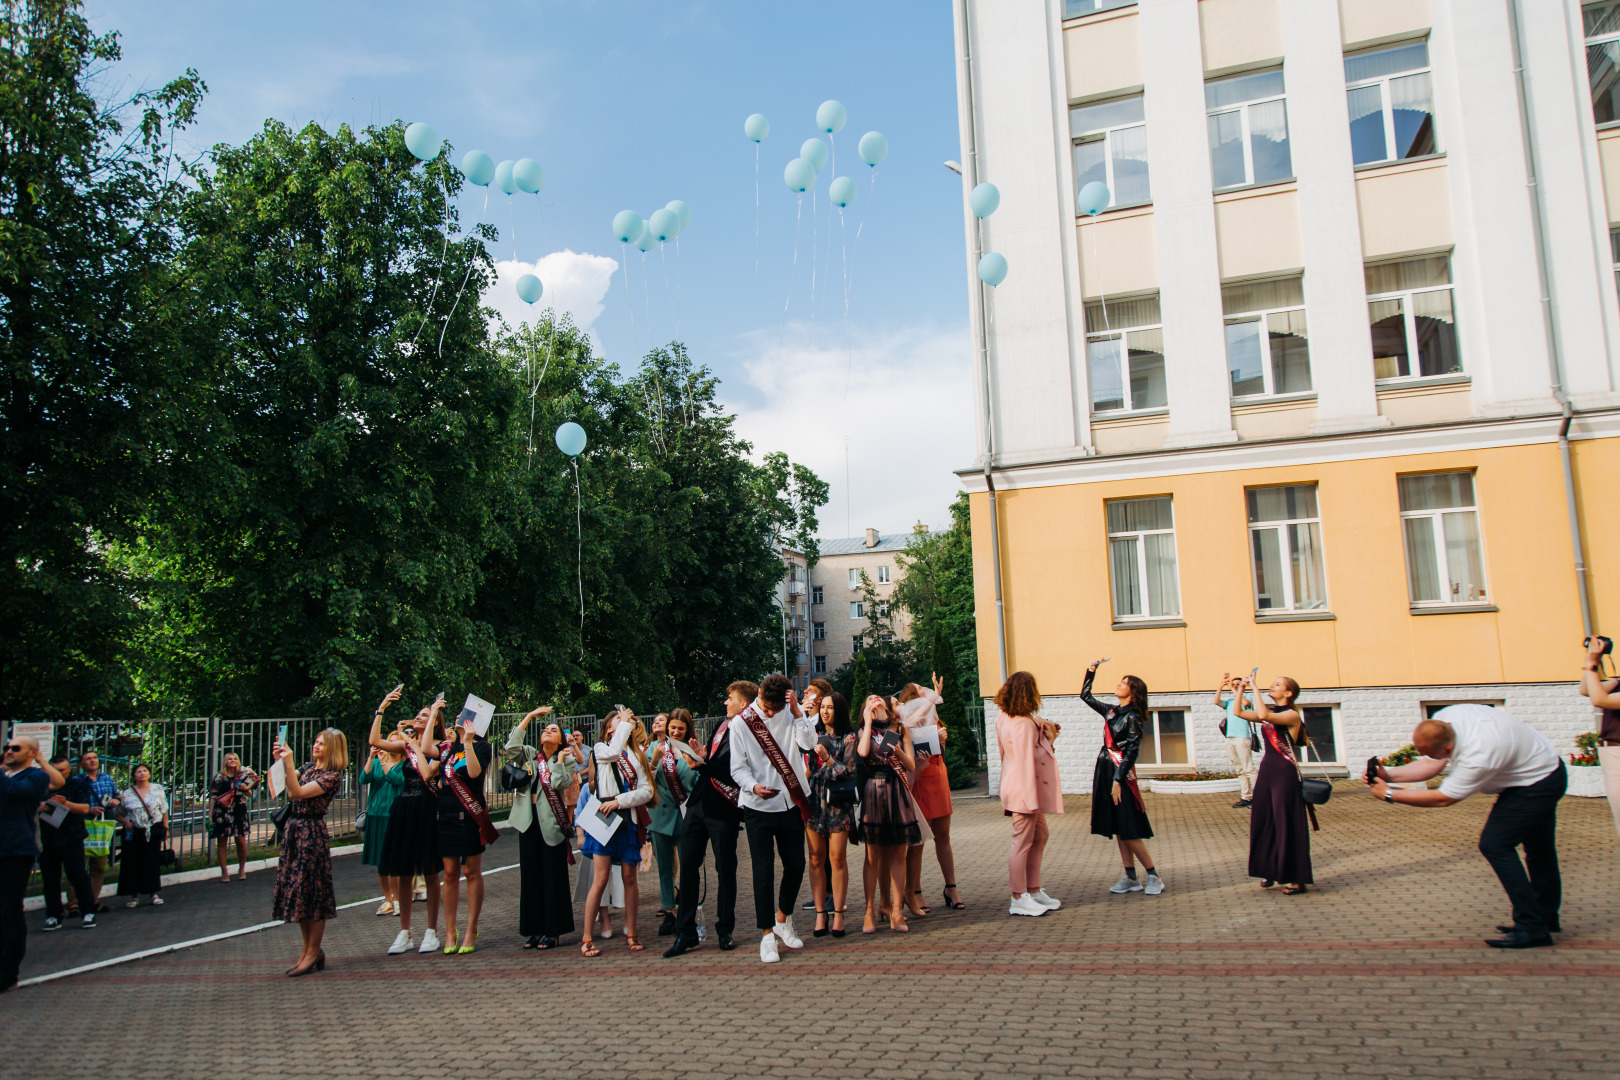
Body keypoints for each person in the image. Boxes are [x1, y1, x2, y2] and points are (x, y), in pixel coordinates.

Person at [1368, 704, 1567, 948]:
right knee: (1539, 850)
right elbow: (1433, 764)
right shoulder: (1446, 719)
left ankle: (1532, 926)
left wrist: (1390, 795)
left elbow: (1443, 798)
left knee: (1495, 845)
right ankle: (1544, 918)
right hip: (1542, 768)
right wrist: (1389, 775)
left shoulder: (1480, 753)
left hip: (1537, 783)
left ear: (1449, 748)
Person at [731, 673, 817, 964]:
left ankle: (783, 917)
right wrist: (752, 786)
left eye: (774, 710)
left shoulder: (789, 712)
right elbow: (737, 768)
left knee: (796, 864)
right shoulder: (741, 723)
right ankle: (767, 935)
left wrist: (797, 713)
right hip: (758, 805)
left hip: (790, 801)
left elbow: (808, 744)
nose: (769, 713)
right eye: (766, 707)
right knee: (763, 870)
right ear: (759, 697)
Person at [664, 682, 752, 959]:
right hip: (699, 803)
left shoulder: (749, 733)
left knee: (725, 870)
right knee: (688, 865)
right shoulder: (721, 726)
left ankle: (724, 930)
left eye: (730, 699)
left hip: (724, 807)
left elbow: (737, 772)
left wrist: (704, 764)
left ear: (744, 705)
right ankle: (685, 932)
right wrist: (701, 757)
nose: (725, 703)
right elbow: (715, 761)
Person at [370, 691, 444, 955]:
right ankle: (405, 932)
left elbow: (427, 773)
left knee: (430, 870)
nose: (418, 717)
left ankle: (431, 931)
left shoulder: (440, 746)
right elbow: (375, 740)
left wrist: (415, 747)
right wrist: (382, 708)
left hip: (426, 807)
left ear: (434, 721)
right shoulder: (406, 745)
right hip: (404, 807)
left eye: (424, 715)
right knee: (403, 871)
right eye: (419, 714)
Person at [1082, 659, 1164, 896]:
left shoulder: (1134, 717)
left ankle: (1153, 876)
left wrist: (1118, 780)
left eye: (1124, 683)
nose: (1118, 685)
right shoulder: (1111, 711)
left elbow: (1131, 751)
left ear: (1133, 691)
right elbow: (1085, 697)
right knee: (1119, 827)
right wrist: (1091, 672)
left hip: (1121, 774)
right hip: (1104, 769)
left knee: (1128, 827)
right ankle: (1130, 877)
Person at [506, 706, 585, 949]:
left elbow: (560, 783)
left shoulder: (567, 759)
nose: (548, 731)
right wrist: (529, 717)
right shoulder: (530, 755)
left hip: (551, 824)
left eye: (554, 730)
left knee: (553, 877)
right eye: (545, 729)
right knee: (531, 877)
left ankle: (554, 930)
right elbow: (510, 749)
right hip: (527, 822)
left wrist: (560, 762)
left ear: (561, 739)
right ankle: (534, 929)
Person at [270, 728, 346, 977]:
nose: (316, 746)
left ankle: (313, 952)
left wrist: (289, 763)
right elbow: (283, 784)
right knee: (300, 892)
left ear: (333, 749)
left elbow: (296, 793)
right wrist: (280, 761)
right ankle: (307, 950)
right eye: (315, 742)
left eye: (322, 744)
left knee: (313, 893)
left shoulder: (332, 776)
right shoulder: (307, 767)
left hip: (311, 833)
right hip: (294, 831)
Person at [580, 708, 655, 957]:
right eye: (618, 721)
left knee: (629, 877)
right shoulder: (601, 748)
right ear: (610, 728)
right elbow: (613, 752)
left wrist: (620, 801)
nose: (625, 723)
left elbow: (646, 791)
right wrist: (624, 723)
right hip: (603, 819)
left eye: (627, 722)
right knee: (600, 879)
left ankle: (631, 932)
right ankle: (587, 937)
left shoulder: (635, 756)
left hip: (627, 818)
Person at [425, 704, 498, 955]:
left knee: (471, 870)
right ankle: (449, 930)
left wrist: (467, 742)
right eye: (457, 716)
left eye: (464, 717)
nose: (459, 719)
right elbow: (425, 749)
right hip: (445, 815)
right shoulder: (447, 748)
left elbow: (475, 774)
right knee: (449, 872)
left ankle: (471, 928)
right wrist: (433, 713)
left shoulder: (481, 747)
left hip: (469, 815)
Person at [1232, 673, 1312, 895]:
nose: (1272, 685)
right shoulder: (1272, 712)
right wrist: (1240, 688)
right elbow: (1237, 712)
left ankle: (1296, 878)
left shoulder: (1291, 715)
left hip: (1285, 771)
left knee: (1287, 822)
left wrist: (1255, 688)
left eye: (1277, 684)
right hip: (1268, 770)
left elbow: (1264, 713)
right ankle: (1270, 869)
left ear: (1288, 693)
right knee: (1264, 819)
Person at [995, 671, 1063, 917]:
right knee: (1022, 841)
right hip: (1024, 789)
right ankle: (1018, 897)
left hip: (1016, 785)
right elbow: (1026, 761)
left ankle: (1033, 890)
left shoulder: (1004, 717)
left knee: (1040, 835)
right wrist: (1028, 799)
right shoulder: (1022, 723)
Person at [1, 737, 63, 992]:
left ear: (32, 752)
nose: (8, 751)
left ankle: (8, 972)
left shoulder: (35, 777)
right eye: (6, 748)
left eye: (15, 748)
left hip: (15, 850)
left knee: (8, 909)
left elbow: (19, 793)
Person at [856, 694, 922, 934]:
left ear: (885, 704)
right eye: (869, 699)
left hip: (896, 791)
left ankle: (896, 910)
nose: (873, 698)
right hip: (874, 791)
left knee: (898, 854)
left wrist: (897, 752)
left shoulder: (900, 729)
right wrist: (867, 721)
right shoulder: (864, 729)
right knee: (872, 856)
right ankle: (869, 911)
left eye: (877, 697)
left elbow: (911, 766)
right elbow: (863, 753)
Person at [897, 672, 962, 912]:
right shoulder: (908, 719)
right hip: (920, 779)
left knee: (943, 836)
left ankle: (951, 887)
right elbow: (911, 726)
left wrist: (941, 740)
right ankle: (914, 891)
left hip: (938, 773)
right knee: (919, 840)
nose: (926, 688)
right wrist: (934, 698)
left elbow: (938, 747)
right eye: (920, 687)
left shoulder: (932, 715)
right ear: (913, 697)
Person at [647, 709, 702, 935]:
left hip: (685, 816)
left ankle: (688, 912)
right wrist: (655, 760)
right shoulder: (654, 748)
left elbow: (694, 783)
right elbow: (645, 780)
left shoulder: (692, 751)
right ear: (667, 727)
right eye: (673, 728)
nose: (676, 732)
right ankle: (668, 911)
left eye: (680, 728)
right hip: (660, 816)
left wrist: (689, 762)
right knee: (664, 868)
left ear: (687, 729)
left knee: (689, 866)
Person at [806, 691, 856, 937]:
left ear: (839, 711)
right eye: (822, 707)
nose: (825, 711)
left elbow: (847, 772)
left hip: (838, 803)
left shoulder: (849, 737)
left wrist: (826, 760)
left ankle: (838, 913)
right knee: (815, 859)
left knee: (837, 859)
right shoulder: (813, 735)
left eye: (830, 708)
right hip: (814, 801)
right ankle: (819, 914)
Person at [38, 753, 97, 931]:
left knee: (77, 875)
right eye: (54, 771)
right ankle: (53, 915)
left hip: (71, 837)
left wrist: (66, 803)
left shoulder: (76, 784)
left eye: (62, 770)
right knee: (50, 878)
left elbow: (85, 808)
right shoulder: (41, 786)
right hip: (47, 838)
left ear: (69, 769)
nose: (59, 774)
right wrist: (38, 806)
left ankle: (87, 911)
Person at [1578, 635, 1620, 839]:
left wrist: (1591, 663)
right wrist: (1591, 662)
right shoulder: (1618, 682)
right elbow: (1586, 690)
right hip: (1612, 754)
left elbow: (1600, 699)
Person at [115, 763, 169, 907]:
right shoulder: (127, 794)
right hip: (134, 831)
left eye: (145, 771)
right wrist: (125, 822)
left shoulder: (157, 789)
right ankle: (134, 896)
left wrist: (166, 828)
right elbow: (119, 814)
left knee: (151, 861)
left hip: (153, 830)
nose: (142, 773)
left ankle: (153, 893)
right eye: (139, 771)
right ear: (134, 776)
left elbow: (164, 810)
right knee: (133, 862)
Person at [360, 739, 404, 915]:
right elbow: (364, 779)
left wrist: (385, 763)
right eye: (388, 741)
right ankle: (387, 899)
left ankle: (399, 899)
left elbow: (396, 781)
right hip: (375, 815)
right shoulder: (378, 762)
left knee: (392, 860)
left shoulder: (404, 764)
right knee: (380, 861)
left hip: (392, 815)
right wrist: (371, 759)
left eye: (394, 742)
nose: (388, 745)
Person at [78, 750, 118, 912]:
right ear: (81, 764)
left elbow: (117, 795)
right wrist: (88, 809)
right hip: (83, 825)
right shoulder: (76, 781)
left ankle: (93, 901)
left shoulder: (107, 778)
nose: (92, 761)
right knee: (80, 866)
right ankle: (74, 904)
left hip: (102, 826)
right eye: (88, 759)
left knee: (99, 865)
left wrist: (116, 800)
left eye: (94, 758)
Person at [209, 752, 258, 882]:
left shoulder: (243, 775)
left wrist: (245, 788)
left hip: (238, 809)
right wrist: (210, 815)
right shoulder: (219, 777)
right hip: (222, 811)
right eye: (230, 759)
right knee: (222, 841)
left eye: (235, 758)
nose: (232, 760)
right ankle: (224, 871)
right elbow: (213, 797)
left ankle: (241, 869)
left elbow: (248, 794)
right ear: (225, 761)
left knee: (240, 841)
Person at [1214, 672, 1257, 808]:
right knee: (1239, 769)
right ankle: (1246, 797)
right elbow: (1216, 702)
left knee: (1248, 768)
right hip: (1230, 737)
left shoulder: (1246, 698)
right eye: (1234, 684)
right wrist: (1221, 686)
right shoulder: (1230, 702)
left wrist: (1235, 688)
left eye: (1239, 684)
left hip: (1242, 737)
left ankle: (1258, 797)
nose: (1236, 686)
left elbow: (1246, 703)